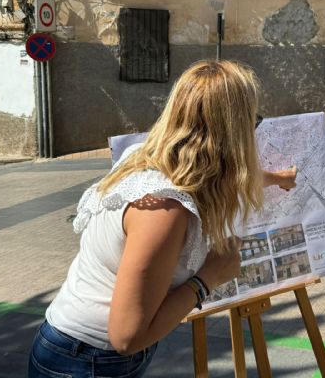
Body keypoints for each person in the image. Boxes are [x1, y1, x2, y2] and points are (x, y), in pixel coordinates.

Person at [28, 60, 297, 378]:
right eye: (253, 121)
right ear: (234, 131)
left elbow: (223, 176)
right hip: (88, 361)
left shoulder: (146, 156)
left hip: (78, 351)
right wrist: (209, 277)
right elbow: (126, 337)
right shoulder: (164, 210)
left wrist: (277, 178)